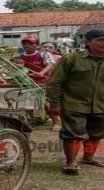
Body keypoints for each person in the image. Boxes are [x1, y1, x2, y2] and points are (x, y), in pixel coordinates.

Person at [46, 29, 104, 175]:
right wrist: (55, 103)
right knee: (73, 134)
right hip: (74, 103)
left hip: (101, 105)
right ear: (88, 42)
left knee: (96, 133)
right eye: (100, 40)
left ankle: (88, 157)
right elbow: (55, 82)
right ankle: (71, 162)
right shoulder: (71, 59)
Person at [40, 42, 62, 132]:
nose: (47, 49)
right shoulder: (38, 57)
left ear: (55, 49)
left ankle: (56, 122)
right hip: (40, 82)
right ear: (40, 48)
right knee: (44, 103)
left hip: (55, 83)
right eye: (44, 47)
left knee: (50, 103)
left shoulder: (59, 58)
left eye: (50, 47)